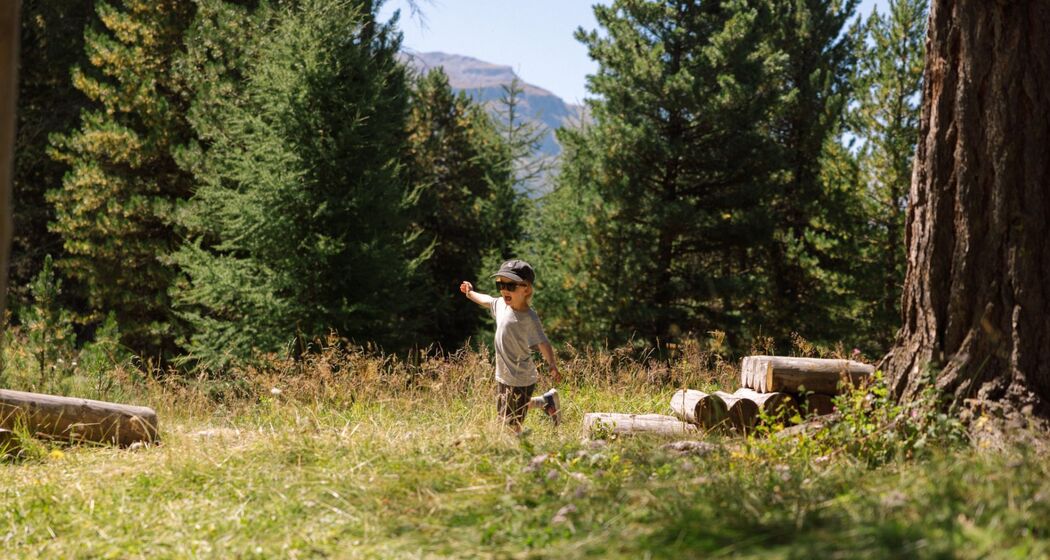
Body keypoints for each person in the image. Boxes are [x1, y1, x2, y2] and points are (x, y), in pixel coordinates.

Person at [460, 259, 561, 432]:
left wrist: (551, 364)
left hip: (521, 378)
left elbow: (543, 342)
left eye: (511, 286)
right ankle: (546, 402)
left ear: (526, 289)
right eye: (501, 285)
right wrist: (470, 293)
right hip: (503, 374)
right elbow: (487, 300)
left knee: (510, 424)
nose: (505, 290)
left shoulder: (529, 317)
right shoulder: (502, 305)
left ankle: (519, 451)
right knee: (509, 411)